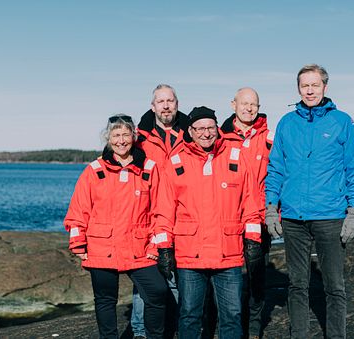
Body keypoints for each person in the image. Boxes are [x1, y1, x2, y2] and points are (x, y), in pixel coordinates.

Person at [264, 64, 354, 339]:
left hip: (330, 216)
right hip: (294, 218)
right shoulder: (287, 123)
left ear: (325, 87)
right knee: (297, 284)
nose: (309, 90)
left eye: (315, 85)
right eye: (304, 86)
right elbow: (275, 168)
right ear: (299, 88)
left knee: (334, 286)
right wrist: (271, 208)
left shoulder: (343, 122)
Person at [154, 106, 264, 339]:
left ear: (217, 129)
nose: (206, 133)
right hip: (190, 255)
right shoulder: (175, 162)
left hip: (229, 253)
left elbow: (251, 203)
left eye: (210, 128)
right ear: (190, 131)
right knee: (189, 314)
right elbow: (163, 211)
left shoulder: (236, 156)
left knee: (232, 314)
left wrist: (253, 241)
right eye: (200, 128)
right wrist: (164, 248)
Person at [64, 114, 169, 339]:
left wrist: (155, 246)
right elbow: (78, 211)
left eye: (125, 135)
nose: (121, 140)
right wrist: (78, 243)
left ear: (134, 136)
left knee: (157, 292)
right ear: (108, 138)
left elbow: (160, 212)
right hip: (102, 246)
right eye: (116, 135)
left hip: (139, 247)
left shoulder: (149, 168)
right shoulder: (94, 170)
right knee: (105, 300)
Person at [134, 83, 189, 338]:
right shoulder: (140, 138)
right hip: (148, 215)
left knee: (179, 275)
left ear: (177, 103)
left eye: (170, 101)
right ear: (152, 106)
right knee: (147, 276)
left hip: (183, 214)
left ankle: (175, 327)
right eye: (161, 101)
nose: (166, 106)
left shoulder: (191, 133)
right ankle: (140, 331)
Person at [220, 87, 272, 339]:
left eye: (254, 104)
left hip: (260, 219)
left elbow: (281, 176)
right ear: (233, 105)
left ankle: (253, 329)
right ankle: (229, 325)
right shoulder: (219, 137)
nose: (249, 108)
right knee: (226, 277)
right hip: (228, 219)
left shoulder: (270, 137)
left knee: (256, 277)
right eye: (244, 103)